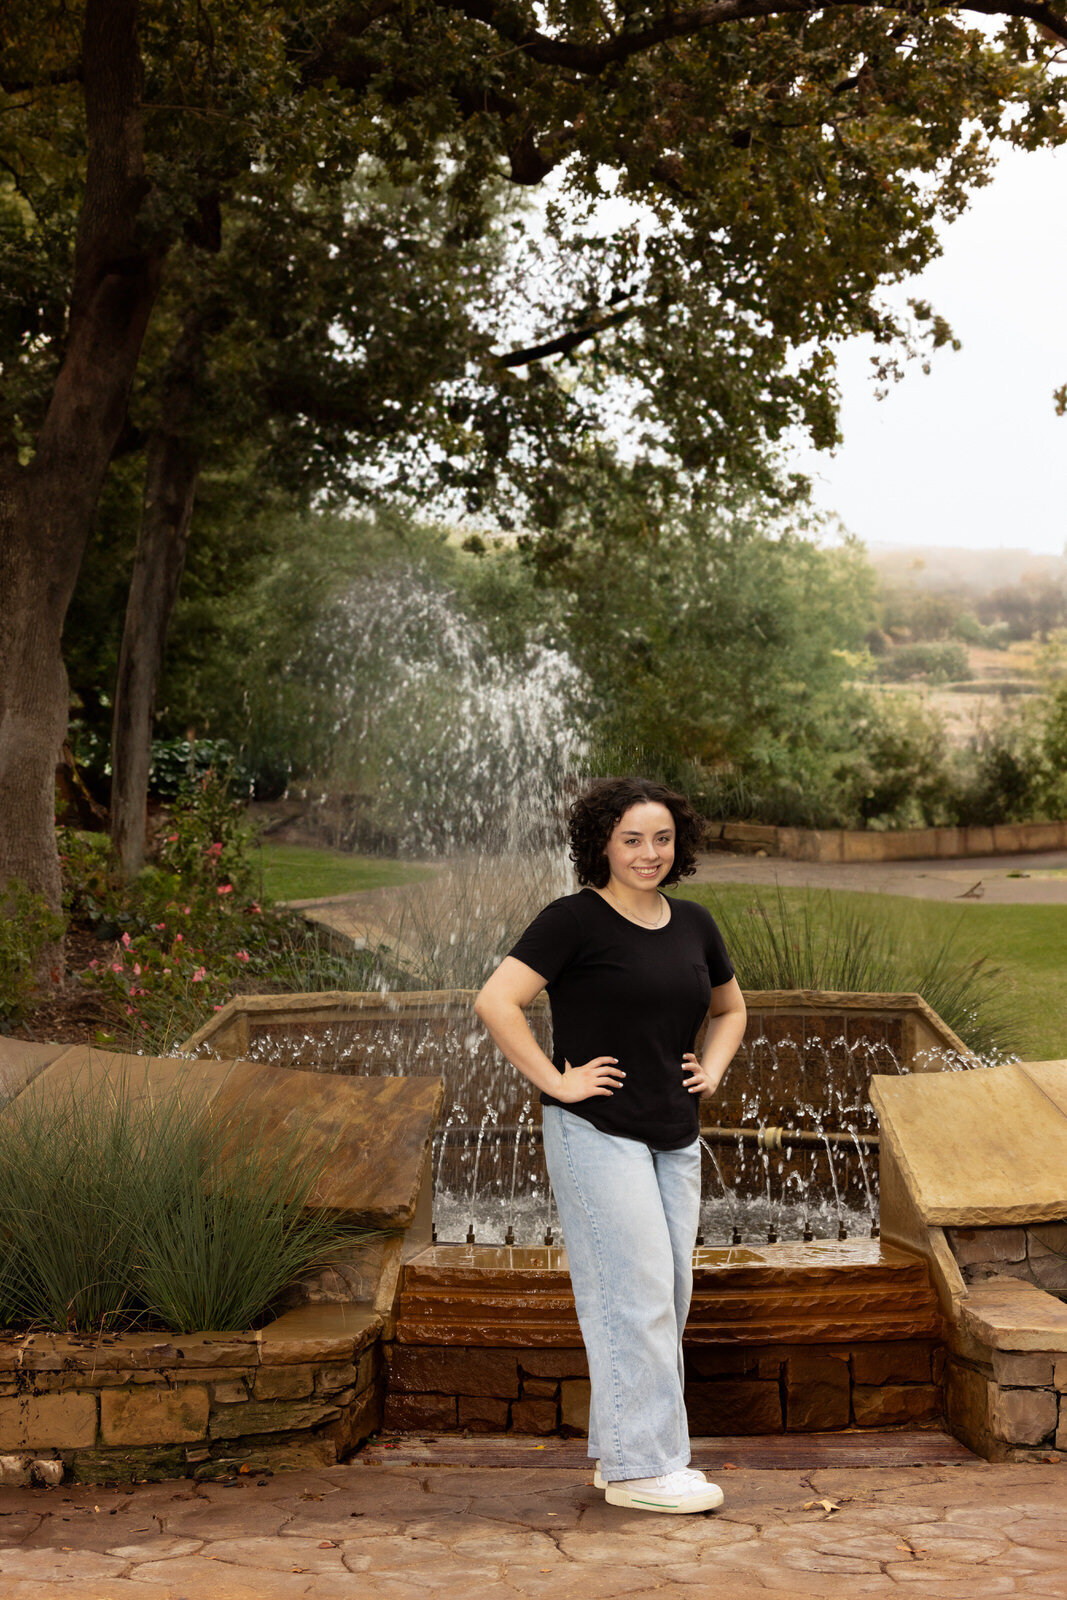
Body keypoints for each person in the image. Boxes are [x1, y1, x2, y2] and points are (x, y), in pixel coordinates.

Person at [474, 776, 747, 1514]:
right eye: (631, 838)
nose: (647, 852)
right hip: (597, 1132)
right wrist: (556, 1083)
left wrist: (712, 1069)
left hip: (673, 1133)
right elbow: (496, 1001)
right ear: (601, 843)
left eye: (661, 838)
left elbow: (729, 1007)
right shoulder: (572, 921)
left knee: (667, 1295)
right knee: (633, 1297)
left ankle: (623, 1452)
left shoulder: (693, 923)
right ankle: (643, 1472)